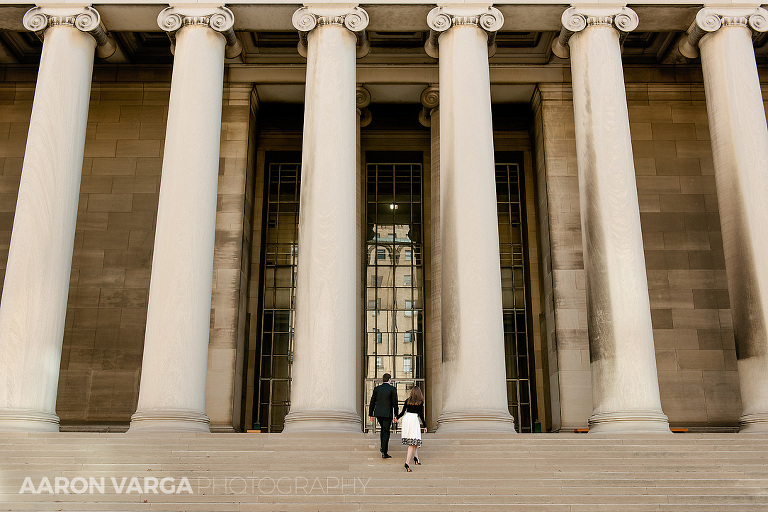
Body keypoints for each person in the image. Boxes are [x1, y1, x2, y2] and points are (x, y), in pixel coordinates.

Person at [396, 385, 426, 472]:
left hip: (406, 419)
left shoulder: (407, 400)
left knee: (414, 439)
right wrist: (425, 426)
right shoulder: (420, 402)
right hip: (413, 420)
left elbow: (402, 412)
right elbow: (421, 416)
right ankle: (407, 463)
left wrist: (397, 417)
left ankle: (416, 458)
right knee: (412, 442)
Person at [368, 373, 398, 459]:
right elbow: (395, 403)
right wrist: (396, 415)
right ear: (389, 380)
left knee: (383, 430)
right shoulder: (392, 389)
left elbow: (372, 401)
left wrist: (371, 414)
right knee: (386, 432)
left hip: (378, 414)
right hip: (387, 414)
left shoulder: (377, 389)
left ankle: (382, 447)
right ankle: (384, 452)